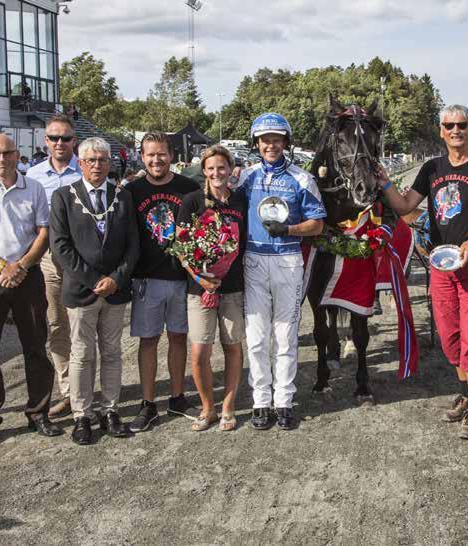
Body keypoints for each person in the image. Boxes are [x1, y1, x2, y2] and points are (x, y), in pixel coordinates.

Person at [378, 104, 468, 439]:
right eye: (449, 125)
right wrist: (384, 182)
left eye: (461, 125)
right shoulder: (432, 168)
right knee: (450, 340)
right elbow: (406, 206)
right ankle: (466, 394)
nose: (455, 131)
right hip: (441, 263)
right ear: (441, 130)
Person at [0, 133, 62, 448]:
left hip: (27, 276)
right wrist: (4, 266)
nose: (1, 160)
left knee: (35, 346)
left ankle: (38, 412)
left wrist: (22, 265)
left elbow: (43, 231)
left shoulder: (33, 187)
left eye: (7, 153)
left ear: (18, 155)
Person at [234, 113, 326, 430]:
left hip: (287, 260)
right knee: (257, 338)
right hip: (254, 261)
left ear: (286, 142)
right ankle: (261, 401)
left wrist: (289, 229)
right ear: (256, 144)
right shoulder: (246, 177)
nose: (270, 145)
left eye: (276, 139)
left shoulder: (302, 178)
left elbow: (318, 224)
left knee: (285, 335)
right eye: (264, 140)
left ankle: (284, 401)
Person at [50, 137, 140, 445]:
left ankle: (110, 410)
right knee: (82, 354)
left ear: (110, 163)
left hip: (115, 291)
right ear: (80, 162)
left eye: (102, 160)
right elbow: (60, 246)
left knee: (112, 353)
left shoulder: (123, 197)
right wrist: (92, 279)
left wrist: (116, 278)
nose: (97, 165)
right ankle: (82, 415)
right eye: (90, 160)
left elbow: (133, 245)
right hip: (81, 291)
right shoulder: (63, 197)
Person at [127, 131, 200, 432]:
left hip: (181, 278)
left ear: (171, 155)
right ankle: (147, 404)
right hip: (146, 279)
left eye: (161, 154)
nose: (156, 160)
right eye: (150, 154)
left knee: (179, 338)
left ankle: (177, 396)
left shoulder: (189, 188)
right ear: (142, 157)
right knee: (148, 340)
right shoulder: (131, 191)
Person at [176, 145, 247, 431]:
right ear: (203, 171)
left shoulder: (241, 201)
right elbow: (181, 247)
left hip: (232, 287)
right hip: (200, 289)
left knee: (232, 346)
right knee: (199, 352)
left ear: (230, 170)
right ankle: (208, 408)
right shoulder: (192, 201)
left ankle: (228, 406)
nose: (216, 173)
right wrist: (200, 278)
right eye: (211, 168)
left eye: (221, 167)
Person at [26, 114, 82, 419]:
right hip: (48, 260)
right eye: (53, 138)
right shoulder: (32, 177)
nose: (59, 143)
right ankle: (69, 392)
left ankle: (83, 387)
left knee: (83, 326)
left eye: (65, 138)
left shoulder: (85, 171)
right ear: (45, 140)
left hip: (80, 260)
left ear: (74, 140)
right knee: (57, 326)